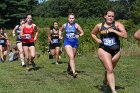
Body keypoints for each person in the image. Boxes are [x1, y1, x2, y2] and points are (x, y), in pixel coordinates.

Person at [91, 9, 127, 93]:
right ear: (105, 16)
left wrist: (114, 31)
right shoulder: (99, 26)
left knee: (109, 69)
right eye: (109, 16)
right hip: (104, 49)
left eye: (112, 16)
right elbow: (93, 33)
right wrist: (96, 39)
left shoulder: (117, 24)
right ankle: (113, 91)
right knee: (110, 70)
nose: (111, 18)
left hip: (116, 51)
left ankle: (105, 82)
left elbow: (125, 35)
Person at [60, 13, 84, 78]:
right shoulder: (65, 25)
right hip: (67, 42)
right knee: (71, 57)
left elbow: (82, 33)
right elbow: (60, 30)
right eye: (70, 18)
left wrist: (78, 35)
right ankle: (74, 72)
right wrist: (60, 36)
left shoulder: (76, 25)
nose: (71, 19)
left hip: (75, 43)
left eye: (72, 18)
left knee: (72, 57)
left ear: (74, 19)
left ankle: (69, 66)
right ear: (68, 19)